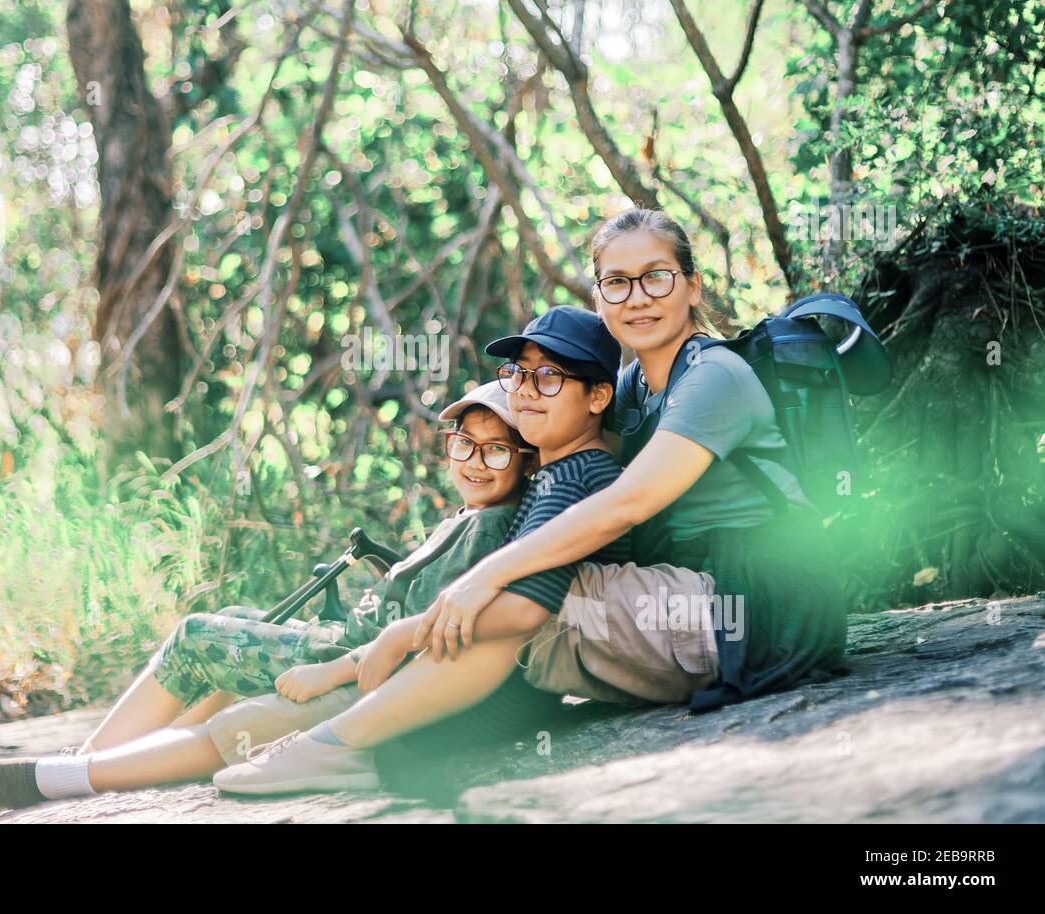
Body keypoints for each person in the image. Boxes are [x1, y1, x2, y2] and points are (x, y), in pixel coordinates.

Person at [213, 209, 848, 796]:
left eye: (656, 277)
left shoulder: (714, 377)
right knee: (521, 595)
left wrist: (468, 585)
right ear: (599, 299)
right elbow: (545, 418)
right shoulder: (632, 387)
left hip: (763, 607)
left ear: (692, 285)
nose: (638, 298)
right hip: (689, 591)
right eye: (617, 283)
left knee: (530, 606)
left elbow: (623, 505)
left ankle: (342, 745)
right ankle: (364, 737)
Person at [0, 381, 536, 816]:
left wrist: (334, 670)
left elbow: (415, 632)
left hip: (349, 653)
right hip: (347, 642)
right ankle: (120, 759)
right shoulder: (474, 515)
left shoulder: (488, 528)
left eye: (497, 450)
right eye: (465, 444)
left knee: (199, 635)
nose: (476, 462)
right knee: (239, 621)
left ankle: (89, 761)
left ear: (525, 460)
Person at [212, 306, 636, 795]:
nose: (524, 389)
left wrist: (398, 636)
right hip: (489, 687)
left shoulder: (574, 477)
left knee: (245, 722)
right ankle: (326, 745)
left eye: (547, 376)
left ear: (599, 395)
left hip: (501, 695)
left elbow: (524, 610)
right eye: (518, 373)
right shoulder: (561, 473)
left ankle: (331, 746)